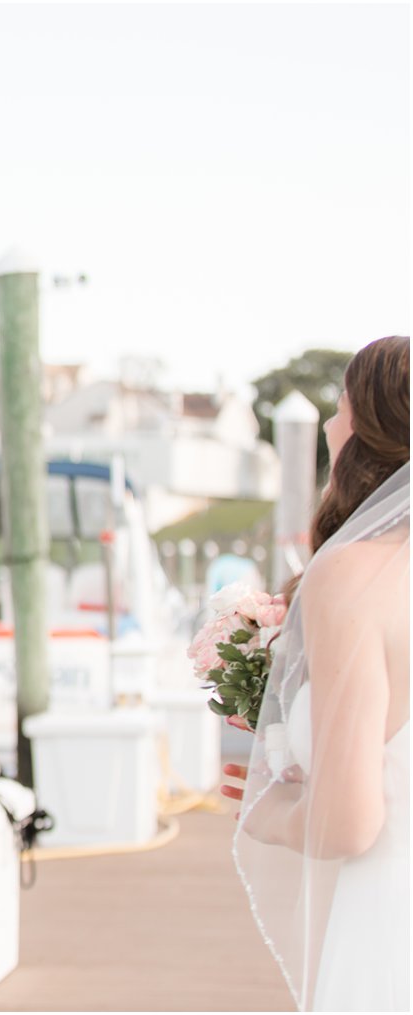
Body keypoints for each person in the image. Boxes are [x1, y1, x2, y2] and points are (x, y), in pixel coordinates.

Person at [221, 335, 409, 1012]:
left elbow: (350, 822)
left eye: (340, 404)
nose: (331, 423)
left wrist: (268, 808)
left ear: (365, 427)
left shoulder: (356, 574)